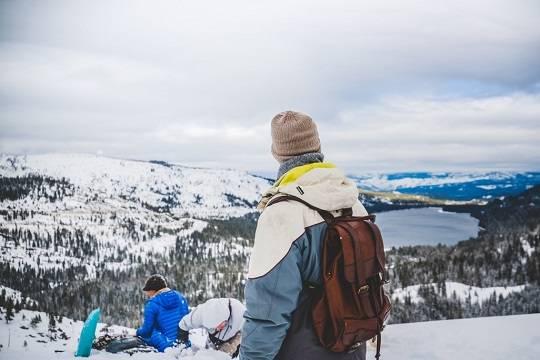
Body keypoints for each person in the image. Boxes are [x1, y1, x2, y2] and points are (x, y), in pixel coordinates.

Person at [239, 111, 369, 360]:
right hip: (351, 344)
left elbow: (268, 309)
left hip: (302, 349)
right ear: (317, 146)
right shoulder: (352, 203)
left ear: (277, 152)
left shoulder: (283, 213)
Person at [104, 274, 189, 353]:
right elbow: (186, 322)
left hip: (165, 345)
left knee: (145, 336)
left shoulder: (152, 303)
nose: (147, 294)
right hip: (184, 344)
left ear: (153, 289)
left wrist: (136, 332)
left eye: (148, 291)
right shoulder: (181, 298)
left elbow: (146, 331)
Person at [178, 297, 245, 357]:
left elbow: (245, 332)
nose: (217, 329)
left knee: (225, 355)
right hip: (212, 339)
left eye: (220, 326)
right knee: (208, 355)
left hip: (231, 338)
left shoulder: (240, 312)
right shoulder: (199, 314)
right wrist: (183, 345)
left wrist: (236, 344)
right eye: (213, 328)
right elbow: (183, 324)